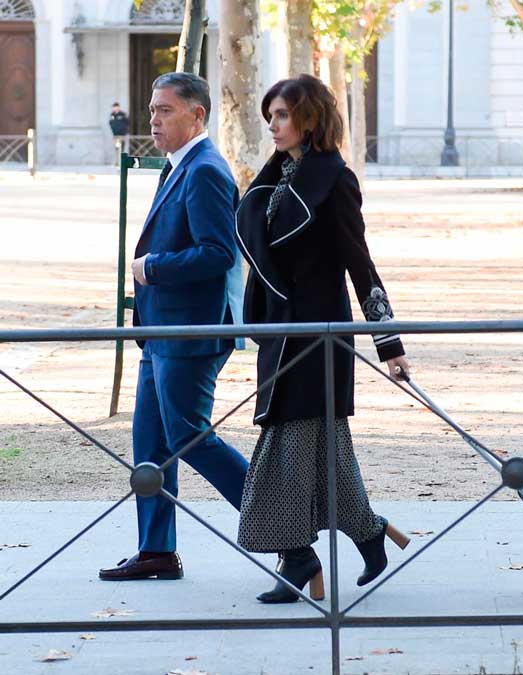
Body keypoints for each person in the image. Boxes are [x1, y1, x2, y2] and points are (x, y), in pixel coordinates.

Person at [234, 74, 410, 604]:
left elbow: (360, 262)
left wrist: (389, 342)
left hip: (319, 337)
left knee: (286, 451)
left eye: (282, 115)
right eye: (270, 116)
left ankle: (299, 560)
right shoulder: (274, 177)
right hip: (279, 334)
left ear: (308, 117)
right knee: (323, 453)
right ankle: (366, 533)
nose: (273, 125)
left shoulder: (334, 179)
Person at [100, 73, 249, 581]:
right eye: (151, 110)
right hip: (160, 332)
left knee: (191, 438)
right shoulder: (179, 166)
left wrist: (152, 266)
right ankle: (156, 550)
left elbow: (217, 253)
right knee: (151, 446)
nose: (153, 120)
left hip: (188, 335)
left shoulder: (205, 169)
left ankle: (283, 522)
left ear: (197, 115)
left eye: (165, 110)